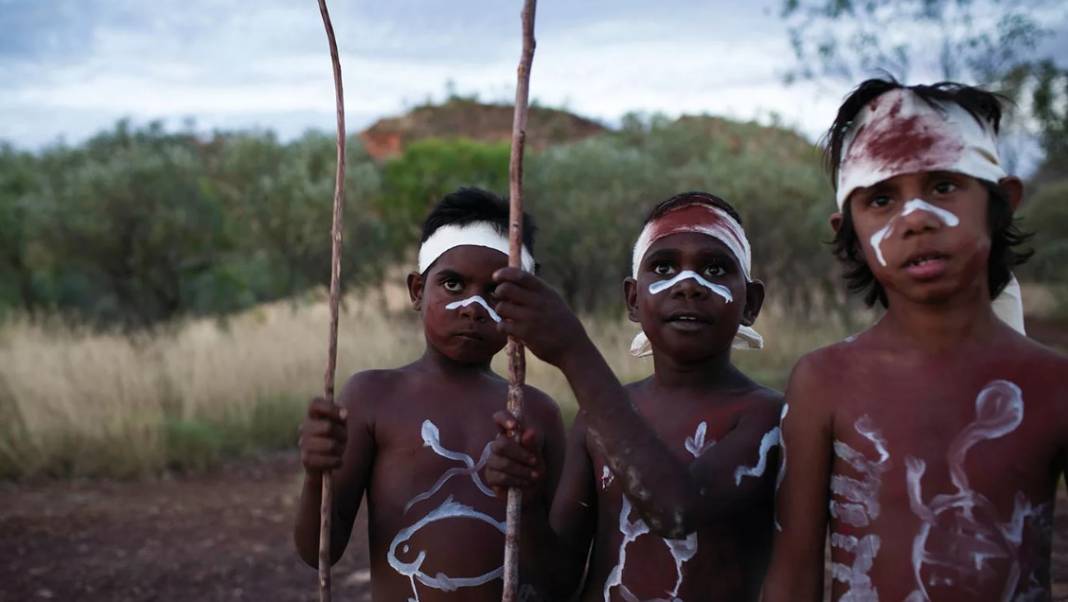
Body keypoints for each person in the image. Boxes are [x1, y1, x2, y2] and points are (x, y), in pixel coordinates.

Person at [761, 79, 1066, 602]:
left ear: (1001, 202)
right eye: (881, 199)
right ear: (849, 231)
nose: (916, 219)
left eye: (944, 186)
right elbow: (792, 576)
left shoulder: (1053, 385)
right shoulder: (824, 383)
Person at [487, 191, 783, 601]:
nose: (688, 286)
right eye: (663, 267)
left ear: (750, 303)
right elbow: (556, 581)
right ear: (633, 299)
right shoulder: (595, 423)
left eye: (715, 269)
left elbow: (676, 512)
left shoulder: (766, 417)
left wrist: (574, 351)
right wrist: (528, 498)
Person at [293, 187, 566, 601]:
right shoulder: (373, 397)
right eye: (453, 284)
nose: (473, 307)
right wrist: (317, 476)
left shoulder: (537, 414)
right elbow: (319, 552)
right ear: (418, 291)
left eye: (495, 292)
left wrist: (525, 505)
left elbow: (562, 576)